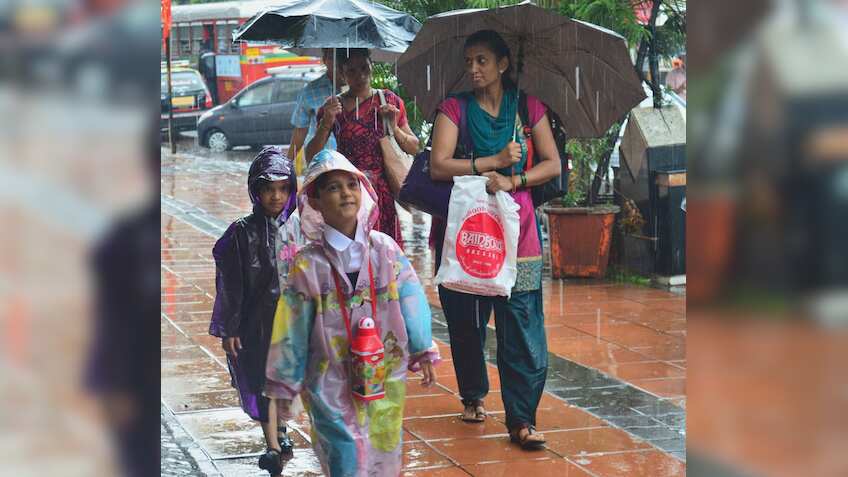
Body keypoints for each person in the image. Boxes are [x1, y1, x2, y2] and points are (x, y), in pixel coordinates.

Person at [264, 149, 439, 477]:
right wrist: (284, 383)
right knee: (344, 451)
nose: (345, 192)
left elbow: (412, 297)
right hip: (329, 375)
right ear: (314, 202)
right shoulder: (309, 264)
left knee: (385, 447)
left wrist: (422, 347)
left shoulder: (385, 249)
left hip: (384, 371)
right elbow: (291, 325)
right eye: (333, 187)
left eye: (351, 184)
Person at [428, 29, 561, 450]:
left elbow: (553, 164)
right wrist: (493, 162)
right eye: (469, 61)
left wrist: (514, 178)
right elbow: (438, 165)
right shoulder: (454, 109)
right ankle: (473, 392)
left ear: (503, 64)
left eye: (483, 60)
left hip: (518, 236)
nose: (474, 69)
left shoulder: (528, 107)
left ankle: (522, 420)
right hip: (468, 233)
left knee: (521, 329)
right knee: (467, 323)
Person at [208, 147, 304, 476]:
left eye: (282, 189)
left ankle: (280, 430)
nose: (276, 197)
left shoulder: (299, 229)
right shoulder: (241, 233)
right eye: (268, 189)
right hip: (256, 325)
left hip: (292, 322)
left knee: (286, 380)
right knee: (263, 381)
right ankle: (273, 446)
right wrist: (230, 328)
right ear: (256, 191)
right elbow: (230, 285)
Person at [306, 48, 419, 248]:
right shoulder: (332, 108)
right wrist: (326, 122)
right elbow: (311, 157)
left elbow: (413, 147)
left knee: (384, 255)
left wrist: (394, 127)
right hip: (349, 191)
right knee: (352, 251)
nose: (360, 76)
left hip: (381, 194)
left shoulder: (388, 101)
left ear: (371, 66)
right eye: (351, 71)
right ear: (341, 74)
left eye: (364, 68)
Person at [287, 49, 345, 164]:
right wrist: (287, 163)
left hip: (354, 164)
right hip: (322, 163)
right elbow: (300, 130)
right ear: (324, 59)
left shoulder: (361, 90)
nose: (337, 62)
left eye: (341, 56)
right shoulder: (310, 91)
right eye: (331, 57)